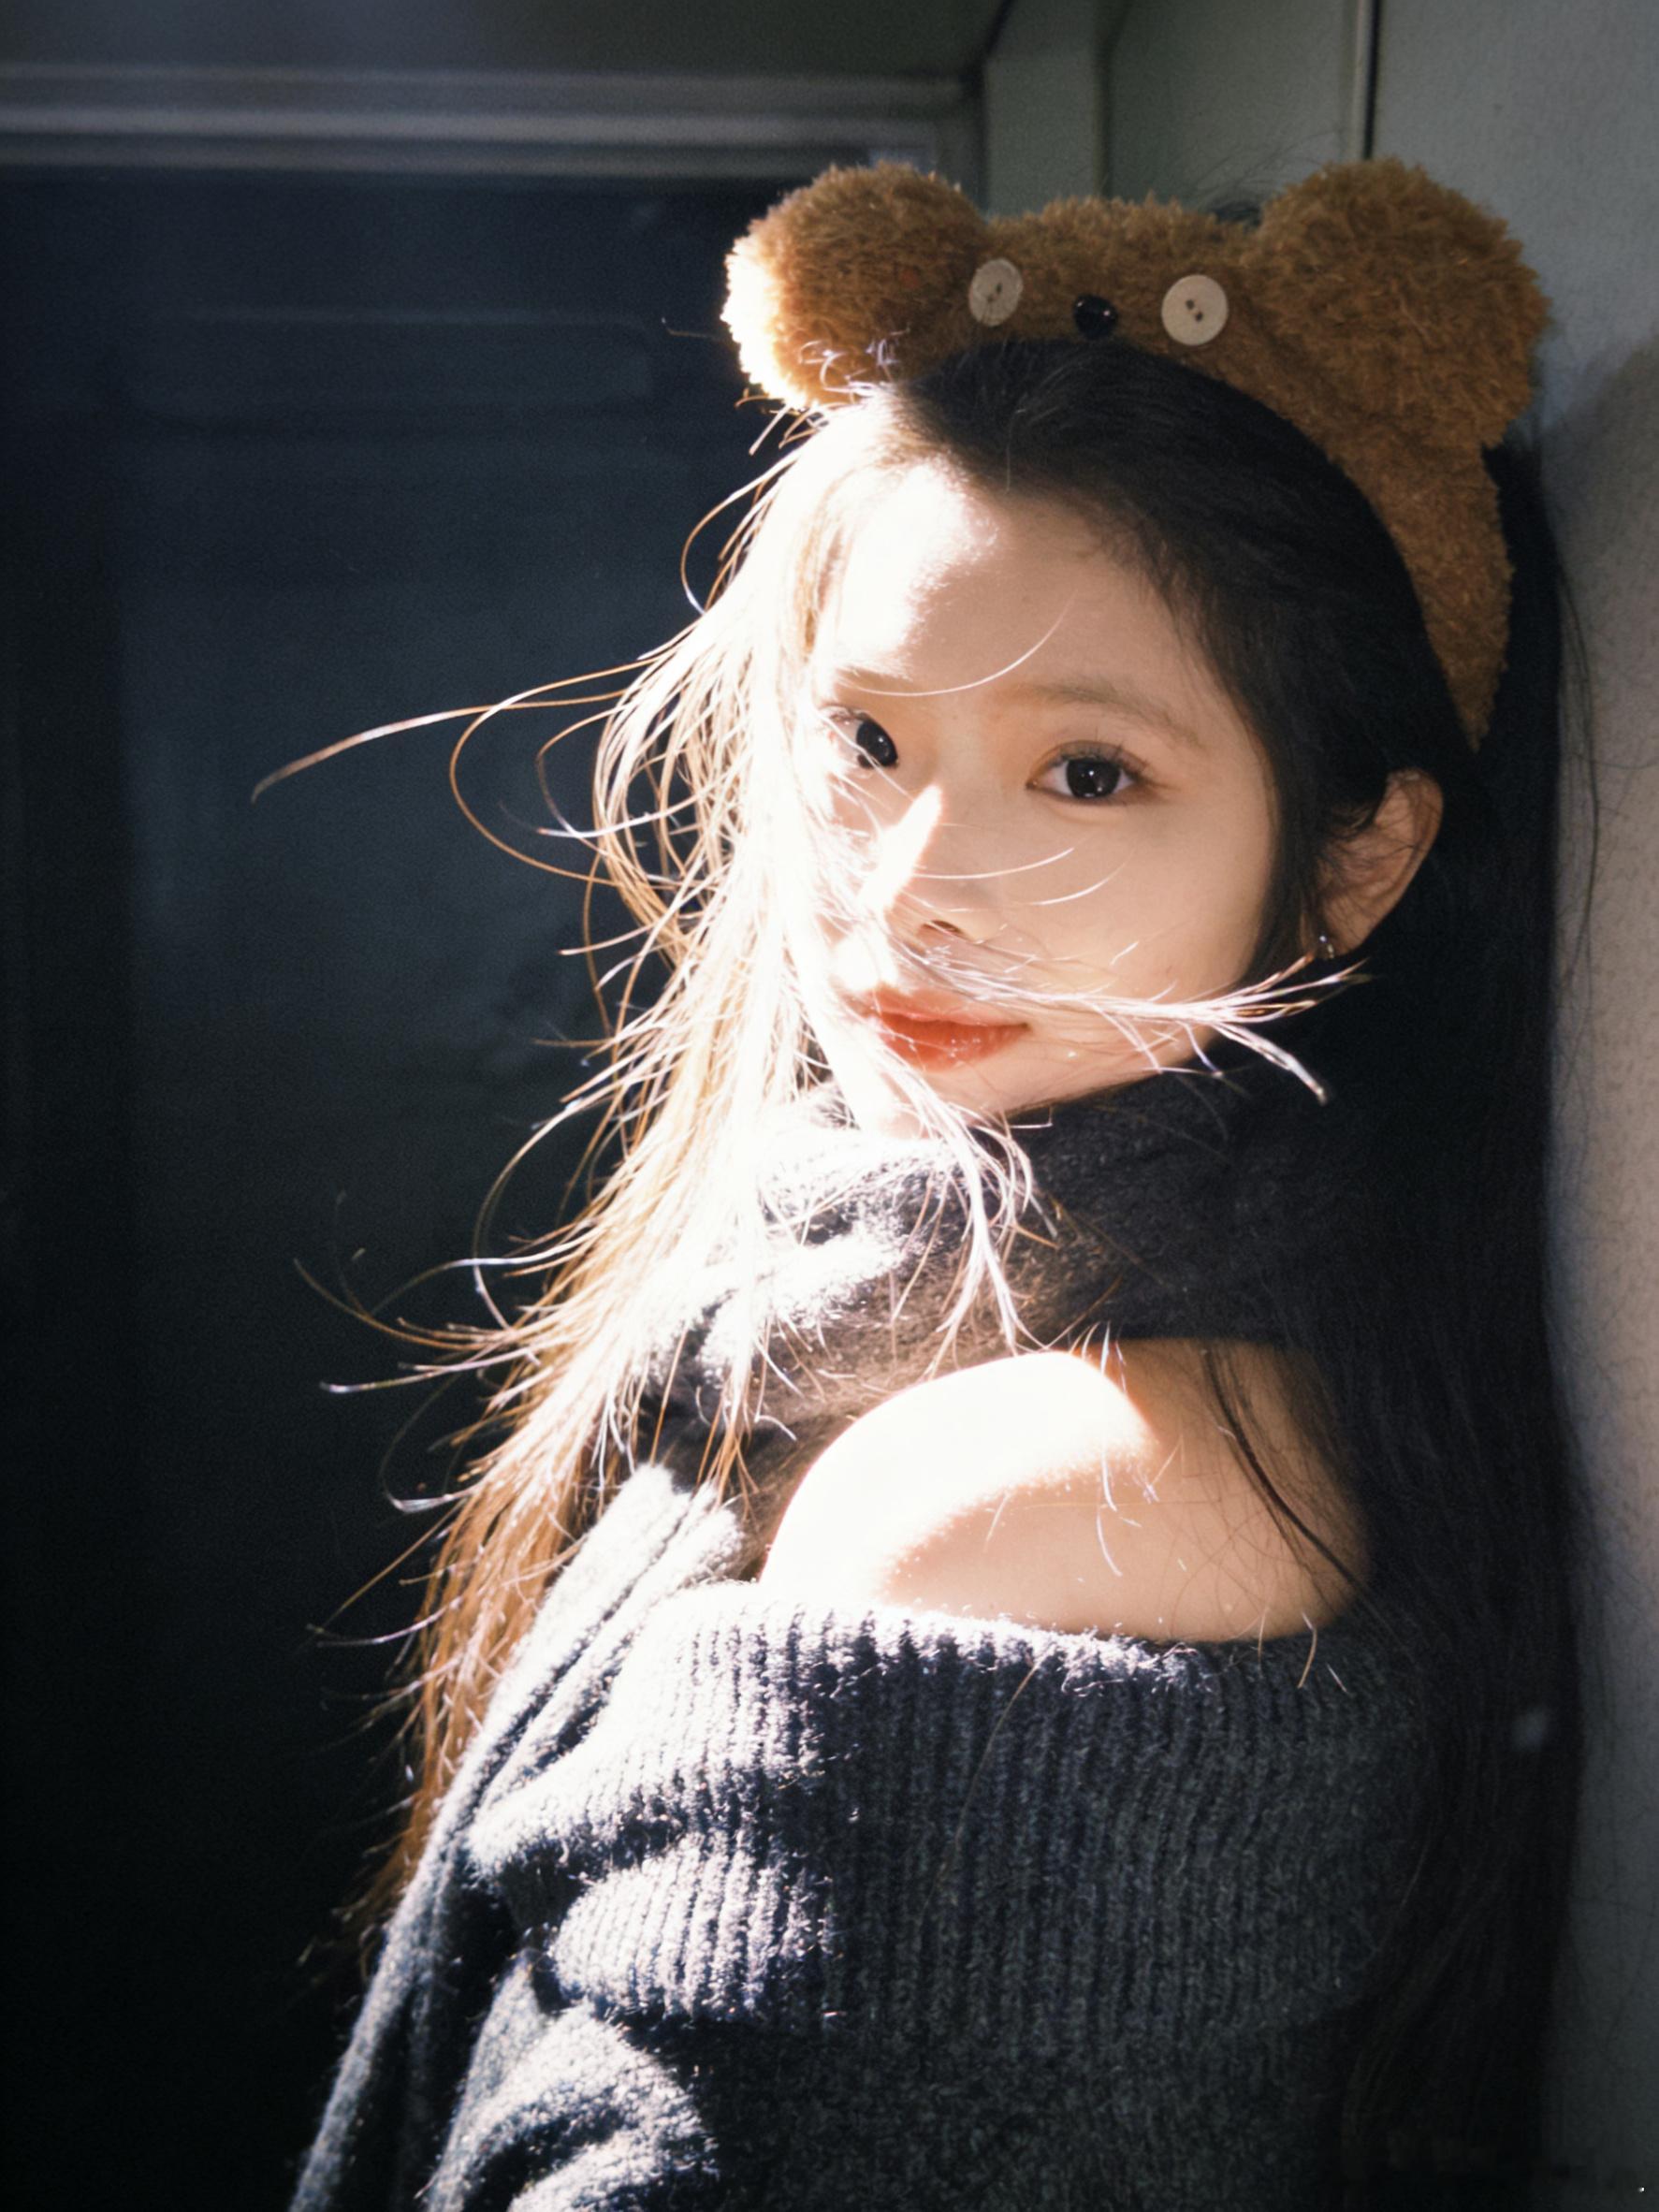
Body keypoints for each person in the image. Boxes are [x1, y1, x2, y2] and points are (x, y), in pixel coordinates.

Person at [289, 159, 1582, 2210]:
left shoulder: (1028, 1504)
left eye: (1088, 772)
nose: (908, 896)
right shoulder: (846, 1305)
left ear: (1358, 856)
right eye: (865, 742)